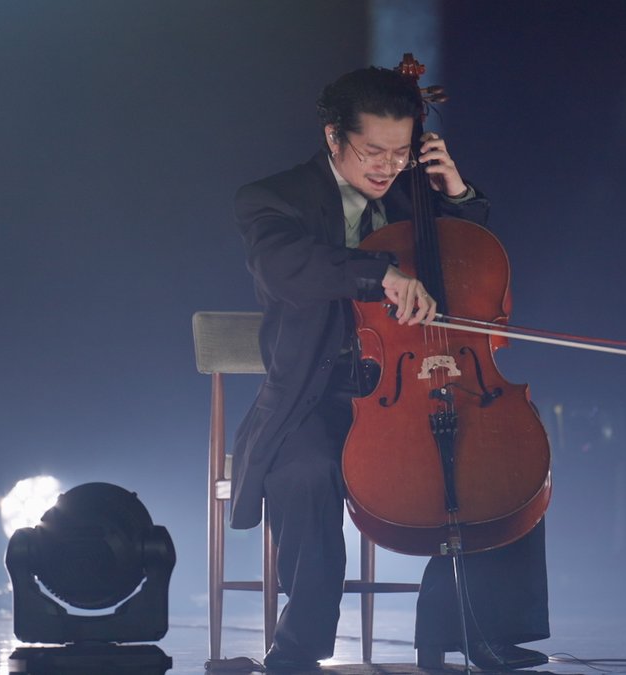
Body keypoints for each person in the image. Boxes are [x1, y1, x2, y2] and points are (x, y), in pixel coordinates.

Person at [231, 66, 549, 671]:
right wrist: (381, 274)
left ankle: (469, 632)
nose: (386, 166)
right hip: (315, 396)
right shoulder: (272, 198)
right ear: (333, 138)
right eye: (372, 151)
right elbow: (284, 267)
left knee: (507, 451)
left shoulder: (417, 194)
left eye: (400, 152)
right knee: (304, 472)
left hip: (421, 384)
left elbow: (470, 262)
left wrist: (456, 195)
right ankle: (300, 647)